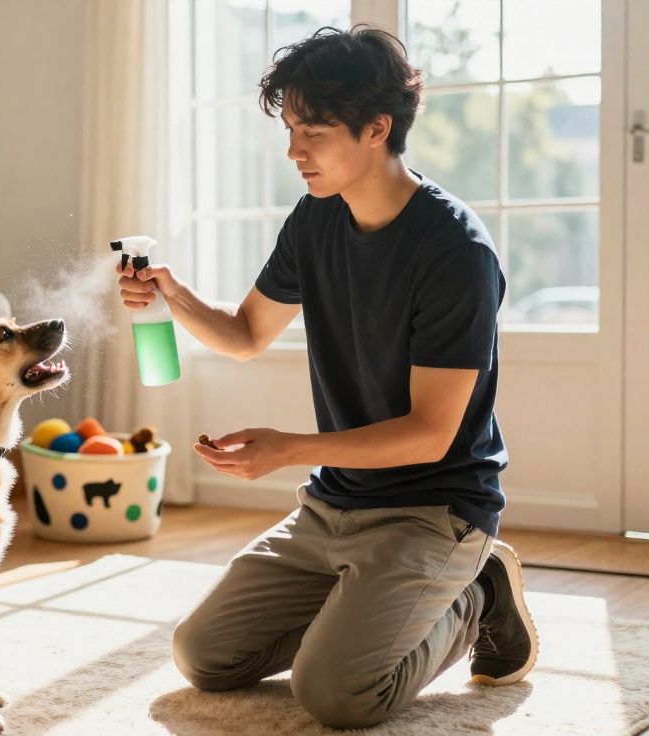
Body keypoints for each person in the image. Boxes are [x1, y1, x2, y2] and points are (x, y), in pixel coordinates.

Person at [115, 25, 537, 729]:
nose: (293, 151)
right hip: (333, 506)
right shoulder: (316, 219)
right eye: (290, 128)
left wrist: (287, 446)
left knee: (338, 696)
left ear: (377, 128)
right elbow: (248, 334)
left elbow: (431, 436)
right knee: (204, 656)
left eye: (313, 130)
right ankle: (366, 604)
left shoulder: (454, 252)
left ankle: (478, 591)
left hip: (434, 508)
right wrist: (172, 296)